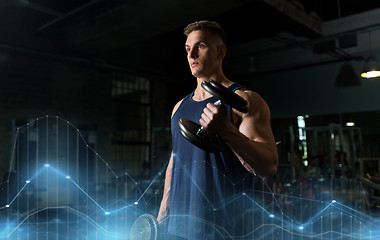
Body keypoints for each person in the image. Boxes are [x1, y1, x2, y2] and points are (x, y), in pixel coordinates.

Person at [157, 20, 278, 240]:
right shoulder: (179, 108)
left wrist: (226, 130)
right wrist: (164, 208)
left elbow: (268, 166)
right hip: (178, 228)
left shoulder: (246, 100)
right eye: (187, 48)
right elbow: (176, 160)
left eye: (200, 46)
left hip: (224, 229)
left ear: (221, 51)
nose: (191, 54)